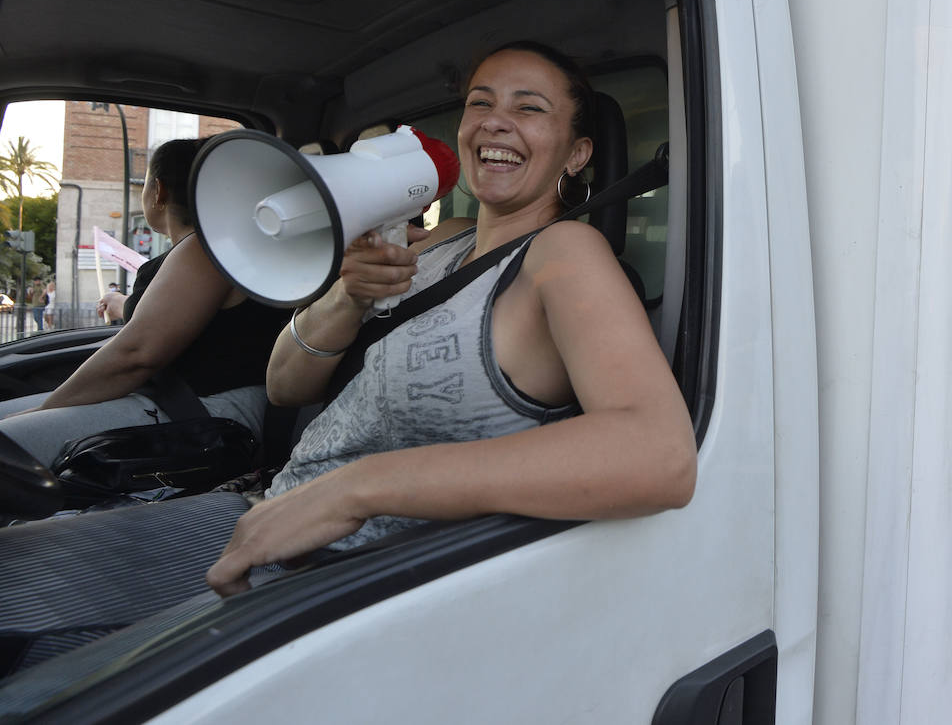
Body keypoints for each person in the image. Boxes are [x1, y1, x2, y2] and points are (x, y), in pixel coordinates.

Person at [0, 42, 695, 669]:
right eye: (480, 101)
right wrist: (344, 301)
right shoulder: (440, 243)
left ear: (575, 153)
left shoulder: (563, 254)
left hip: (346, 574)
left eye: (529, 107)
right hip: (274, 513)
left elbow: (657, 455)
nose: (494, 120)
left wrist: (357, 489)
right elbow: (283, 388)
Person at [0, 139, 291, 467]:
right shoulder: (220, 248)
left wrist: (45, 410)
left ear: (158, 191)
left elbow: (136, 354)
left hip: (211, 415)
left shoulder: (206, 249)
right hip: (193, 404)